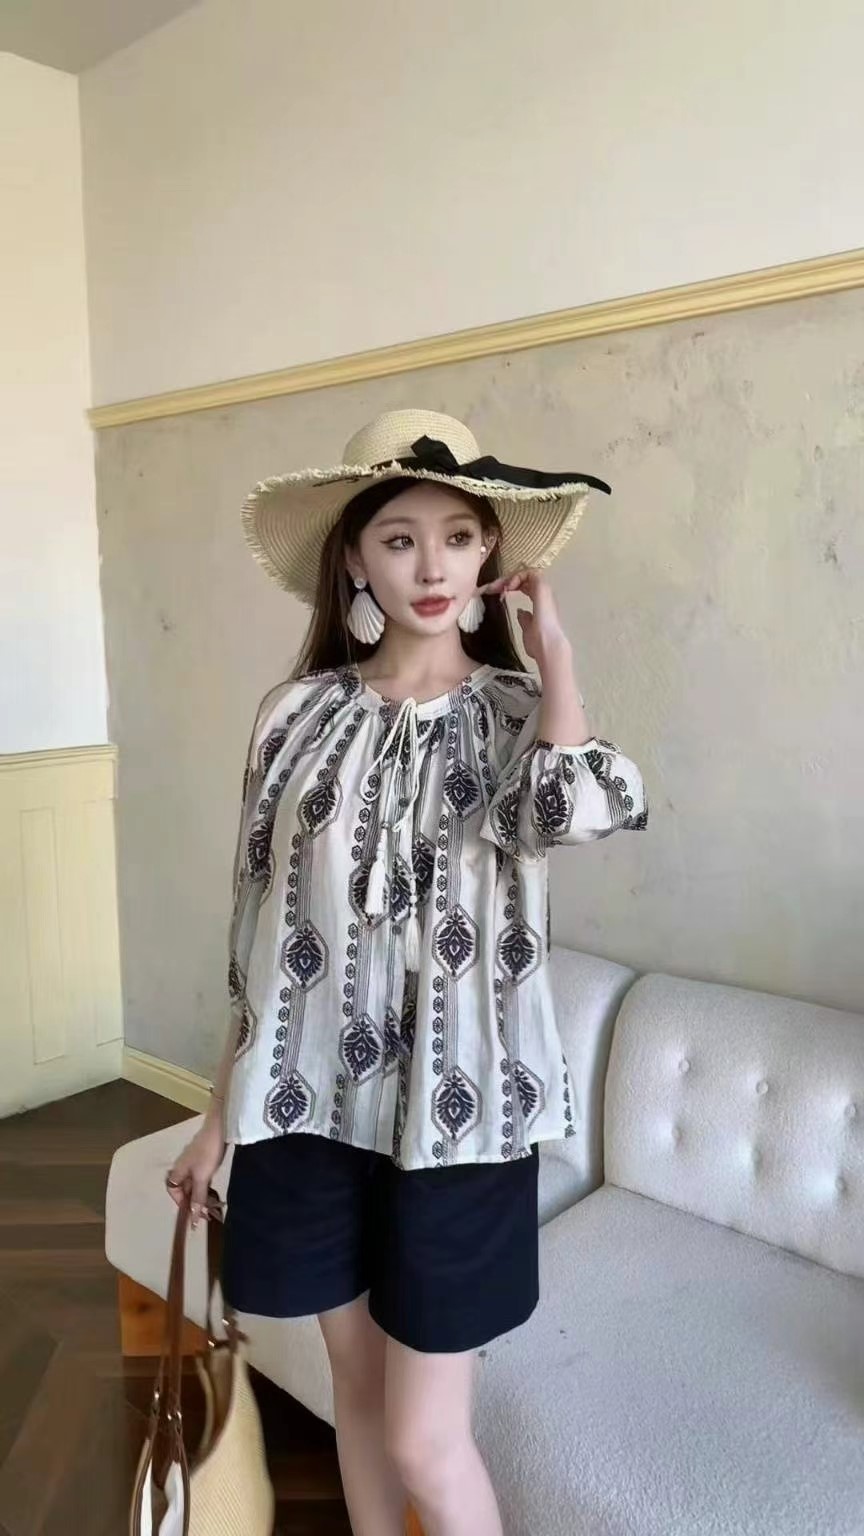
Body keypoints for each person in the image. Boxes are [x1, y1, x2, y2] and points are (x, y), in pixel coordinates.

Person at [165, 408, 648, 1536]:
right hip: (306, 1111)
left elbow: (577, 810)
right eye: (399, 538)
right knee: (357, 1396)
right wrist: (218, 1114)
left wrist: (556, 656)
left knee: (427, 1437)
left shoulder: (523, 718)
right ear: (354, 558)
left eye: (459, 538)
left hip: (460, 1120)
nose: (432, 568)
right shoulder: (293, 716)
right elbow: (254, 933)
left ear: (491, 560)